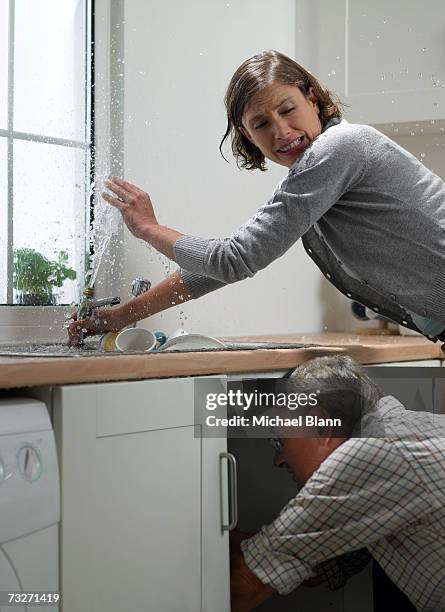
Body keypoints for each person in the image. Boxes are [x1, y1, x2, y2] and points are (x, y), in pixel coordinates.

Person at [68, 50, 445, 345]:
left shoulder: (338, 149)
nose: (281, 131)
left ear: (312, 99)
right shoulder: (317, 175)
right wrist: (119, 317)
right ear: (248, 136)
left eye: (288, 110)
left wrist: (149, 229)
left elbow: (235, 260)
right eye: (261, 123)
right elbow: (216, 270)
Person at [229, 355, 445, 611]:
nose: (278, 460)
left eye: (280, 439)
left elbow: (248, 585)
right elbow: (320, 561)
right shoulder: (413, 430)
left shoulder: (368, 459)